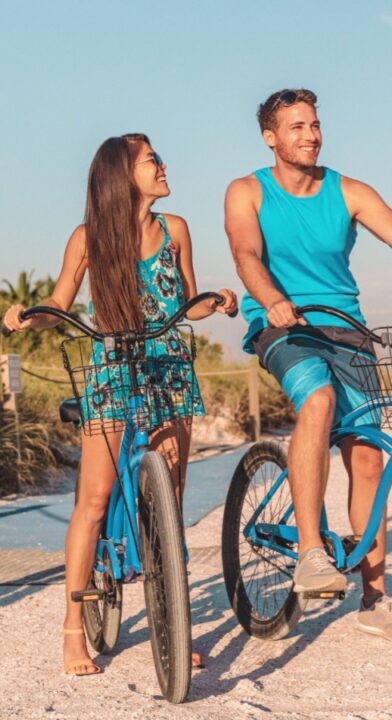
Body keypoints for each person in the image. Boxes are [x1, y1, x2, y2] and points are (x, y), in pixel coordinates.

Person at [225, 89, 392, 642]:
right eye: (297, 126)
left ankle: (376, 598)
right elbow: (245, 254)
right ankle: (309, 553)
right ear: (271, 137)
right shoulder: (247, 191)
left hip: (347, 327)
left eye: (315, 125)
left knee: (368, 459)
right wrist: (270, 297)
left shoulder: (348, 191)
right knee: (318, 400)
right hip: (283, 324)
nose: (310, 135)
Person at [4, 134, 238, 676]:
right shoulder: (88, 238)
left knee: (171, 504)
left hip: (170, 370)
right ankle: (71, 633)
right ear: (122, 174)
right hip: (113, 372)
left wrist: (217, 302)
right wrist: (27, 314)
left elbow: (187, 306)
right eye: (152, 159)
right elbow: (59, 304)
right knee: (93, 499)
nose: (163, 165)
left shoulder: (174, 230)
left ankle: (171, 624)